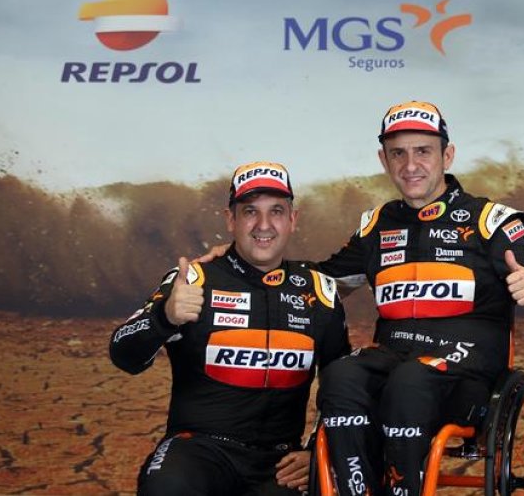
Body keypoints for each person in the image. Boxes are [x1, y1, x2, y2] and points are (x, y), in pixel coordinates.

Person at [314, 101, 524, 496]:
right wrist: (237, 266)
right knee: (340, 376)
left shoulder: (490, 221)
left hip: (466, 377)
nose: (410, 165)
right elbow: (318, 282)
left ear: (447, 154)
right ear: (384, 160)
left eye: (423, 151)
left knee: (410, 381)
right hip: (392, 365)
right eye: (398, 153)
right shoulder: (376, 225)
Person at [110, 161, 350, 495]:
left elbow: (343, 390)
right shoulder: (194, 279)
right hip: (199, 451)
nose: (263, 225)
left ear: (292, 220)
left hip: (280, 465)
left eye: (277, 211)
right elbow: (123, 354)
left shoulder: (319, 292)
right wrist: (165, 318)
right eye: (250, 211)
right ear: (230, 220)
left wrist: (315, 450)